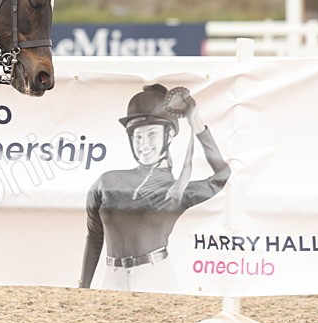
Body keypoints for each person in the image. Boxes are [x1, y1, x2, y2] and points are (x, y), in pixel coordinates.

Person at [79, 84, 231, 292]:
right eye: (138, 136)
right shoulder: (106, 181)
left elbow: (221, 176)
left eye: (151, 134)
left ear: (168, 135)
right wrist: (83, 287)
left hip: (155, 276)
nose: (144, 145)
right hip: (112, 278)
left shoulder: (177, 190)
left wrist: (197, 126)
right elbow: (95, 237)